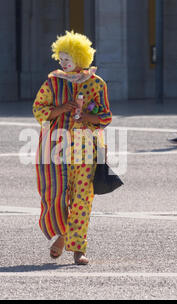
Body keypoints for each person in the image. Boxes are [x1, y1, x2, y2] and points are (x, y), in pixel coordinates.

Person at [33, 31, 112, 265]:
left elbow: (106, 117)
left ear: (80, 58)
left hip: (86, 149)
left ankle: (77, 249)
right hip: (57, 148)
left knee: (82, 199)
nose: (63, 62)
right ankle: (62, 235)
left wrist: (87, 114)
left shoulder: (97, 84)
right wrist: (61, 109)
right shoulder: (53, 82)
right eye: (61, 57)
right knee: (56, 196)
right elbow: (39, 110)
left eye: (68, 58)